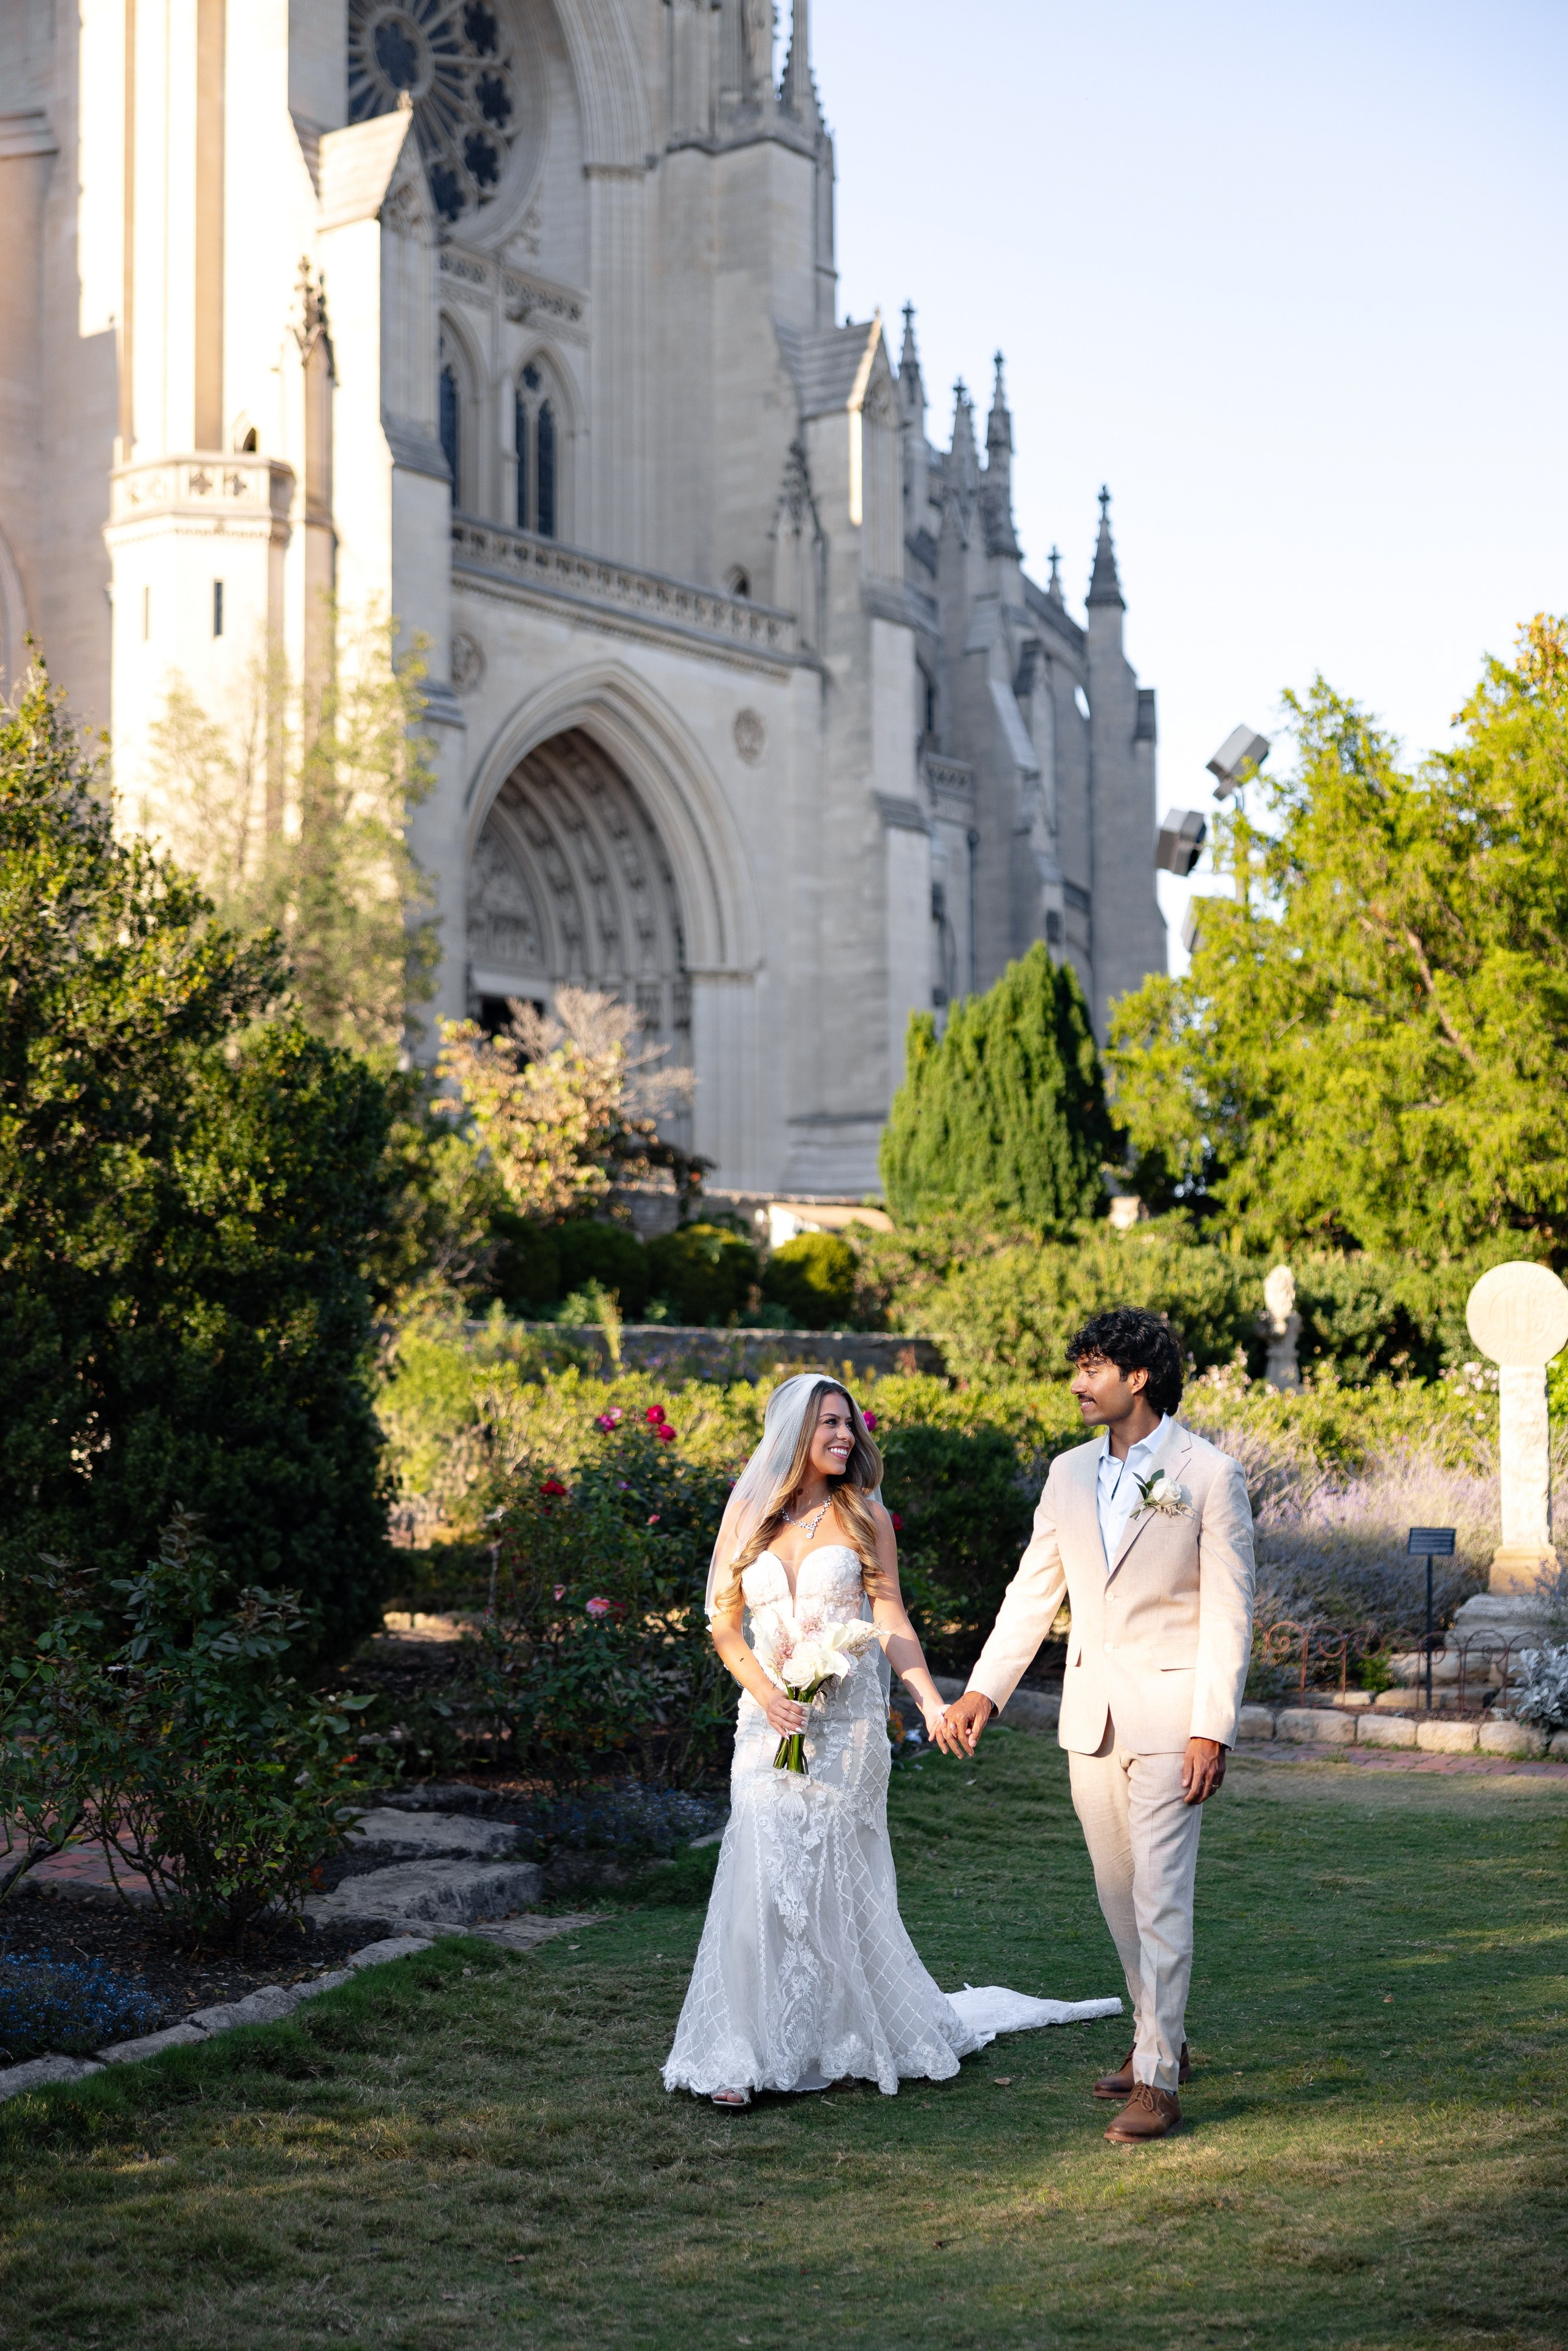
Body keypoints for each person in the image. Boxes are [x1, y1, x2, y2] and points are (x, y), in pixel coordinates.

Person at [662, 1373, 1118, 2107]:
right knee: (758, 1870)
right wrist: (770, 1696)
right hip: (767, 1722)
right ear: (792, 1434)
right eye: (829, 1425)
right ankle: (738, 2055)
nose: (844, 1436)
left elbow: (891, 1622)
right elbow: (721, 1622)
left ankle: (843, 2038)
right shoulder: (747, 1511)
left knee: (837, 1884)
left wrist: (933, 1702)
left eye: (849, 1424)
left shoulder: (866, 1516)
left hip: (847, 1731)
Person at [941, 1308, 1255, 2146]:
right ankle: (1166, 2037)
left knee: (1161, 1899)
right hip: (1090, 1718)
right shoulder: (1067, 1473)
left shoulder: (1209, 1473)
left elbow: (1230, 1611)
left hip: (1171, 1718)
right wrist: (984, 1691)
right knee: (1120, 1897)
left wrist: (1210, 1728)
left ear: (1139, 1377)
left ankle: (1157, 2081)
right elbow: (1032, 1591)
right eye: (1077, 1366)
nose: (1078, 1383)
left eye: (1092, 1367)